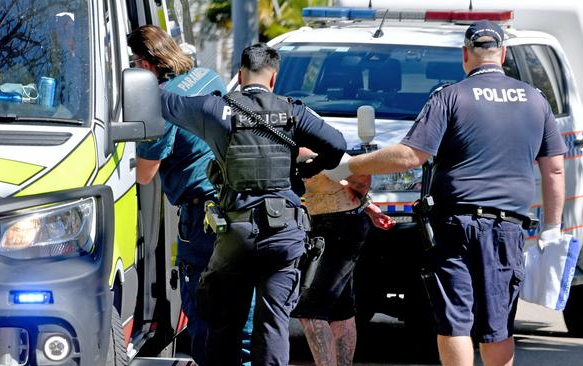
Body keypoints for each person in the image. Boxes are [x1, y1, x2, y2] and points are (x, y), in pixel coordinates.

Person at [324, 20, 567, 366]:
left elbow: (411, 155)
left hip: (454, 228)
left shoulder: (450, 97)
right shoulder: (535, 100)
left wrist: (352, 165)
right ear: (504, 55)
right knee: (498, 326)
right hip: (507, 229)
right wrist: (553, 228)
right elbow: (554, 169)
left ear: (465, 55)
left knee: (455, 321)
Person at [158, 43, 346, 365]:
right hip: (285, 232)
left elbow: (163, 101)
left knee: (223, 322)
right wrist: (306, 169)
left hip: (236, 234)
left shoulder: (214, 109)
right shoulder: (292, 111)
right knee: (273, 324)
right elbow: (337, 145)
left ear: (240, 75)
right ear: (274, 78)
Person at [127, 25, 253, 365]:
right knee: (238, 304)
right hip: (237, 204)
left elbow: (144, 173)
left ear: (148, 63)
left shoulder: (161, 100)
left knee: (202, 306)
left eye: (134, 61)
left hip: (201, 218)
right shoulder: (207, 75)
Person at [292, 148, 395, 366]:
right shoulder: (306, 136)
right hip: (335, 223)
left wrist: (362, 197)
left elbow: (360, 177)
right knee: (341, 310)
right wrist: (367, 206)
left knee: (310, 310)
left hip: (339, 227)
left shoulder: (311, 140)